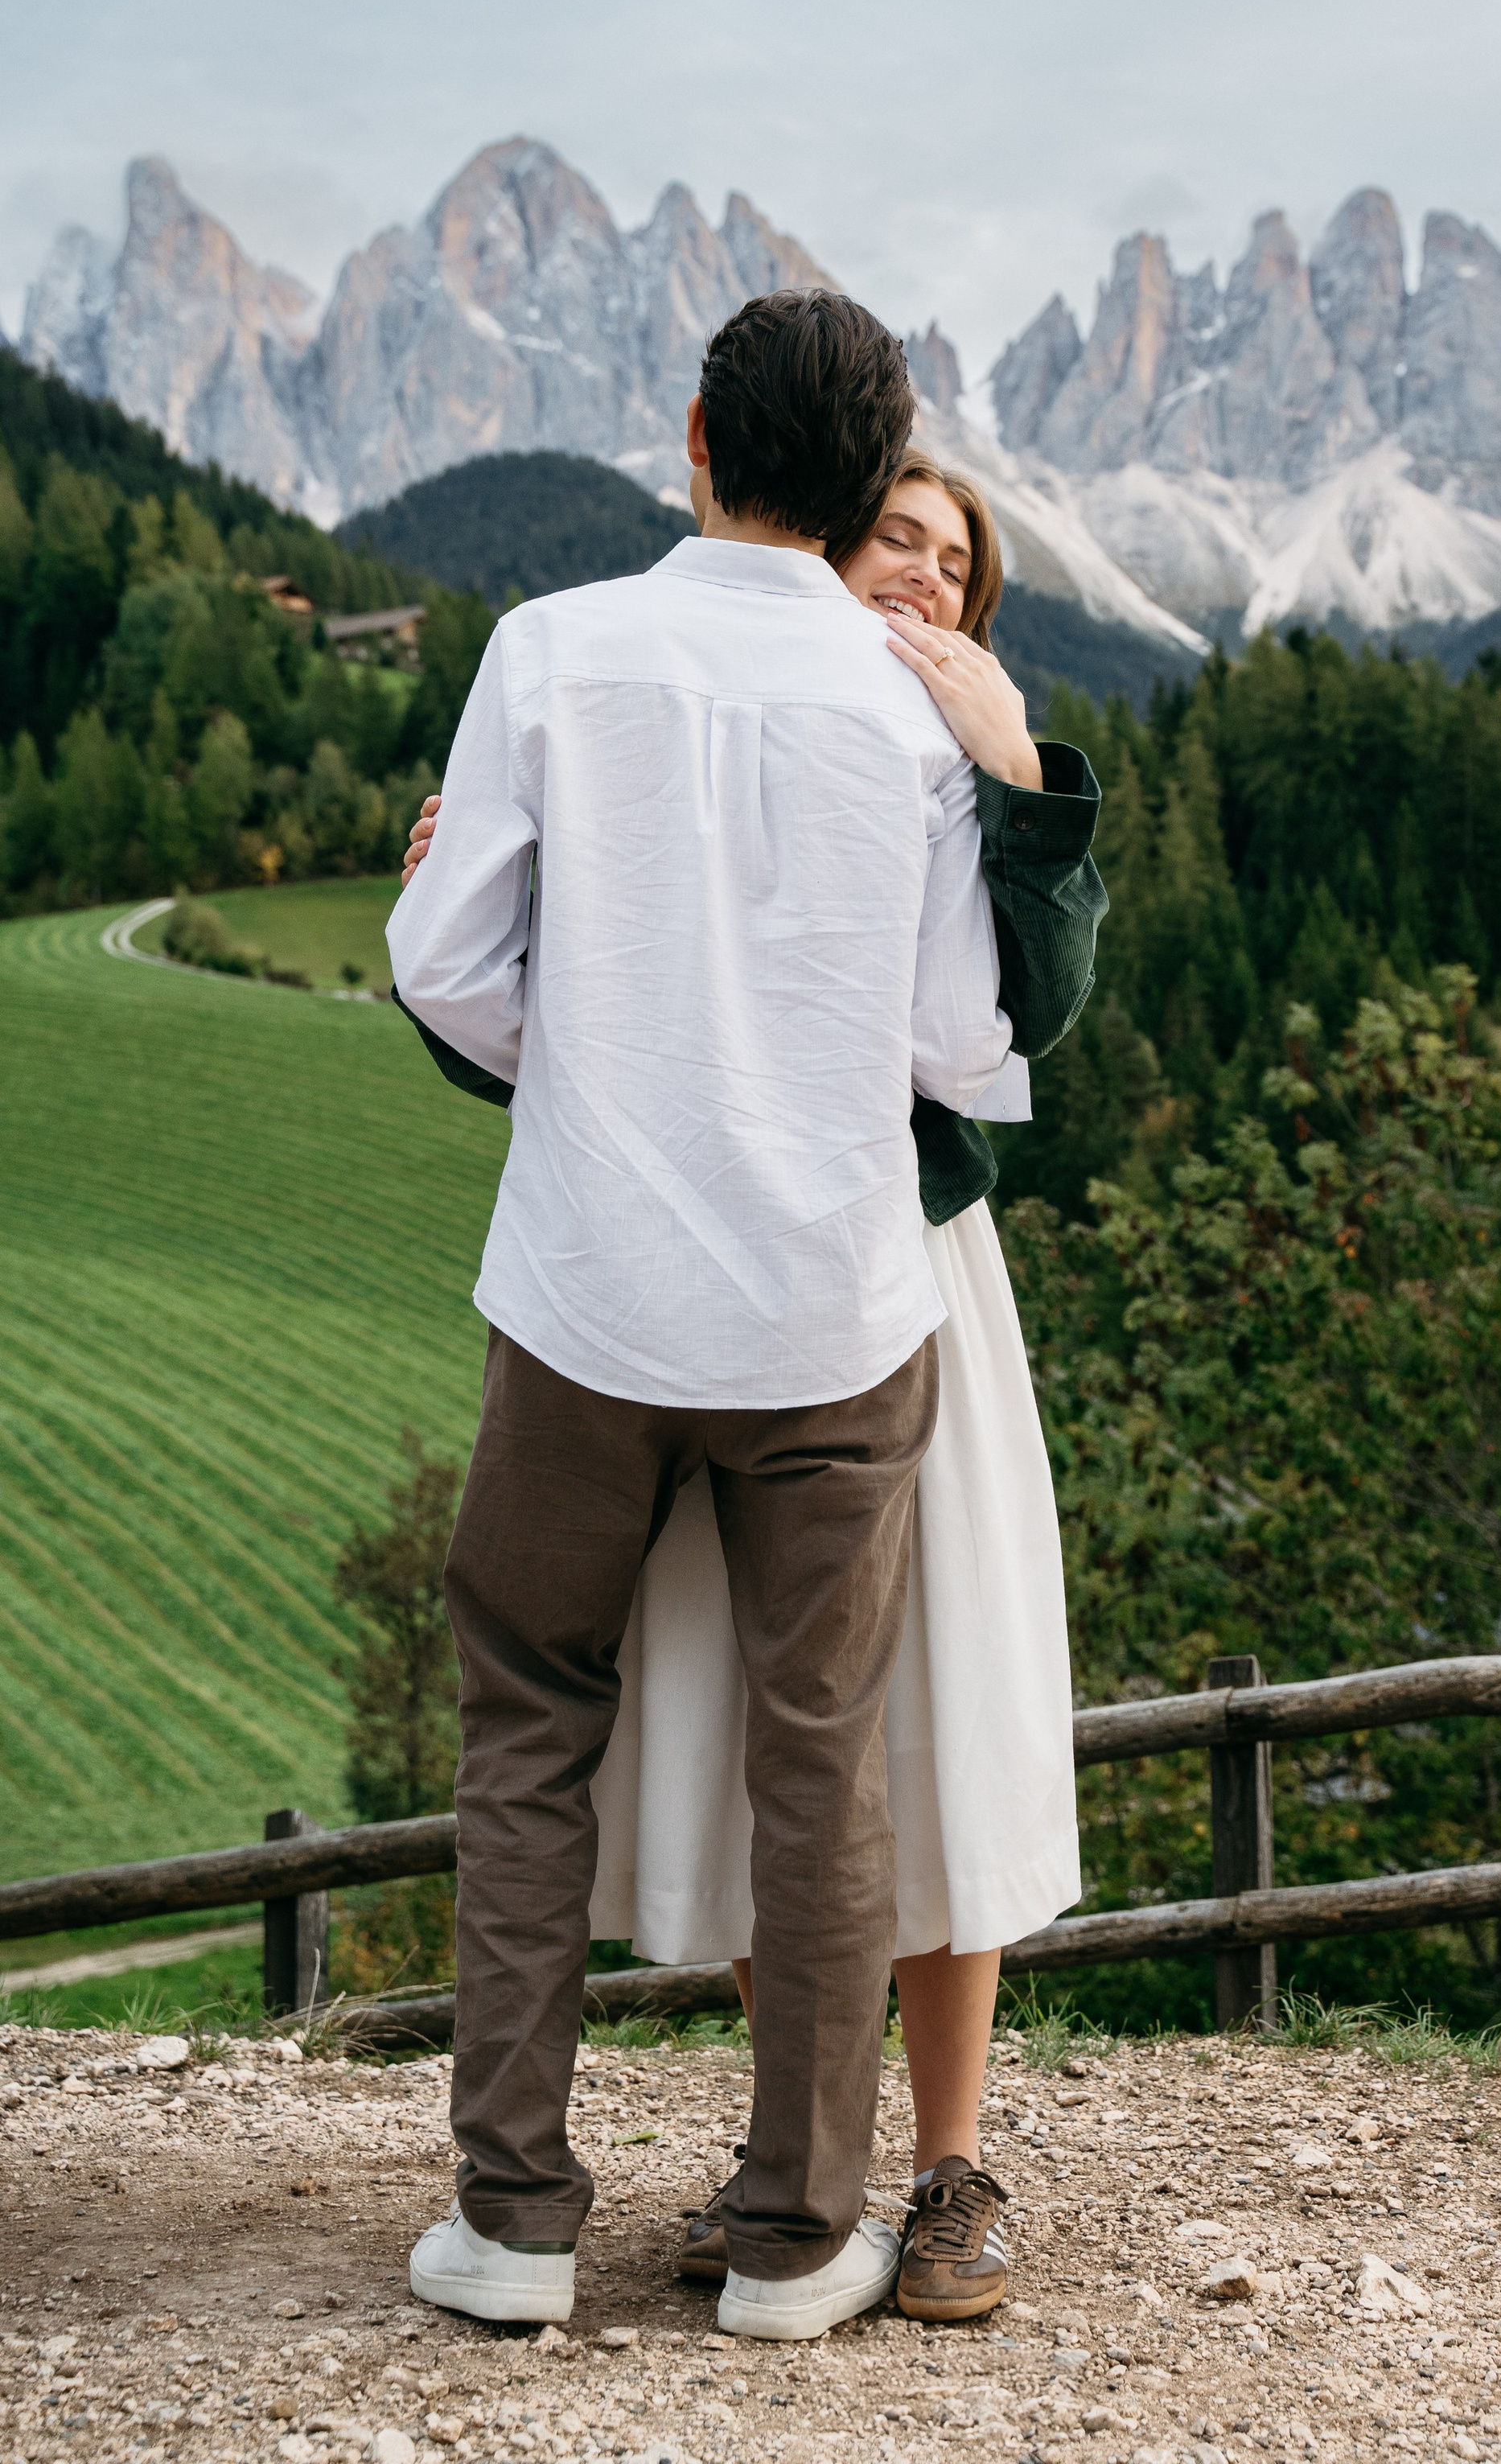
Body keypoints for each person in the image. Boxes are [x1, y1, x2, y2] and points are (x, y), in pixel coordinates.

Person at [391, 312, 1102, 2341]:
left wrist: (611, 1067)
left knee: (530, 1728)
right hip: (831, 1315)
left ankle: (515, 2224)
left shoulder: (545, 649)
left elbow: (447, 970)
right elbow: (967, 1041)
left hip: (589, 1304)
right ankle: (800, 2242)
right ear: (870, 454)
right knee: (822, 1761)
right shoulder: (901, 707)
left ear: (692, 439)